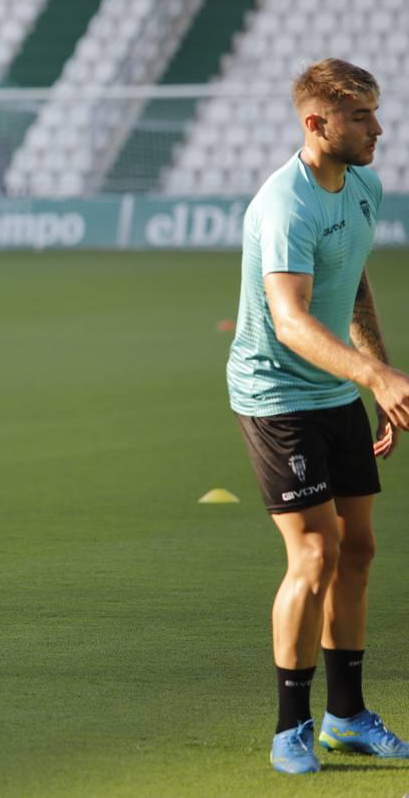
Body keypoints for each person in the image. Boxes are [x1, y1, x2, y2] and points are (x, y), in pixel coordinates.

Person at [227, 59, 409, 775]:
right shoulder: (284, 205)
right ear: (317, 123)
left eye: (375, 112)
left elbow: (353, 280)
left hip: (335, 391)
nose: (378, 128)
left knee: (358, 548)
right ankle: (289, 726)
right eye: (362, 117)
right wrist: (373, 372)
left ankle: (347, 717)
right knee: (314, 554)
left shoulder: (363, 184)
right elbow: (292, 320)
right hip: (277, 396)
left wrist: (379, 381)